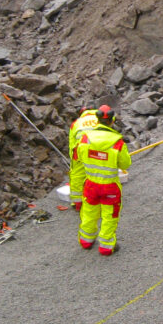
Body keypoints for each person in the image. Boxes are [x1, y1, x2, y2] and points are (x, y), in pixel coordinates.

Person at [75, 105, 131, 256]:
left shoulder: (85, 139)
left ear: (97, 120)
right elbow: (125, 164)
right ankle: (106, 246)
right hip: (110, 186)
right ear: (112, 121)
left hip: (91, 184)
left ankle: (86, 240)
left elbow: (79, 158)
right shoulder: (117, 143)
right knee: (109, 216)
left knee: (89, 213)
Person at [67, 106, 101, 212]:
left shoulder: (76, 123)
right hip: (99, 149)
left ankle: (78, 203)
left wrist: (74, 160)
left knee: (77, 176)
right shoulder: (101, 119)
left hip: (81, 150)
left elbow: (72, 143)